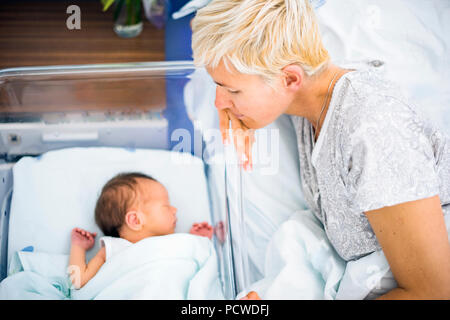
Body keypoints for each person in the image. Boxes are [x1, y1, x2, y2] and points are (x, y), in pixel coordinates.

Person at [191, 0, 450, 299]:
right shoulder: (306, 97)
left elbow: (433, 292)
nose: (218, 102)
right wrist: (232, 110)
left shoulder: (373, 131)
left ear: (290, 79)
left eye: (232, 90)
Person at [68, 172, 213, 289]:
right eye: (166, 205)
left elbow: (188, 261)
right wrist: (78, 247)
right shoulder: (114, 249)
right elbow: (78, 280)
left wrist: (197, 240)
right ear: (135, 220)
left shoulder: (173, 242)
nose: (175, 210)